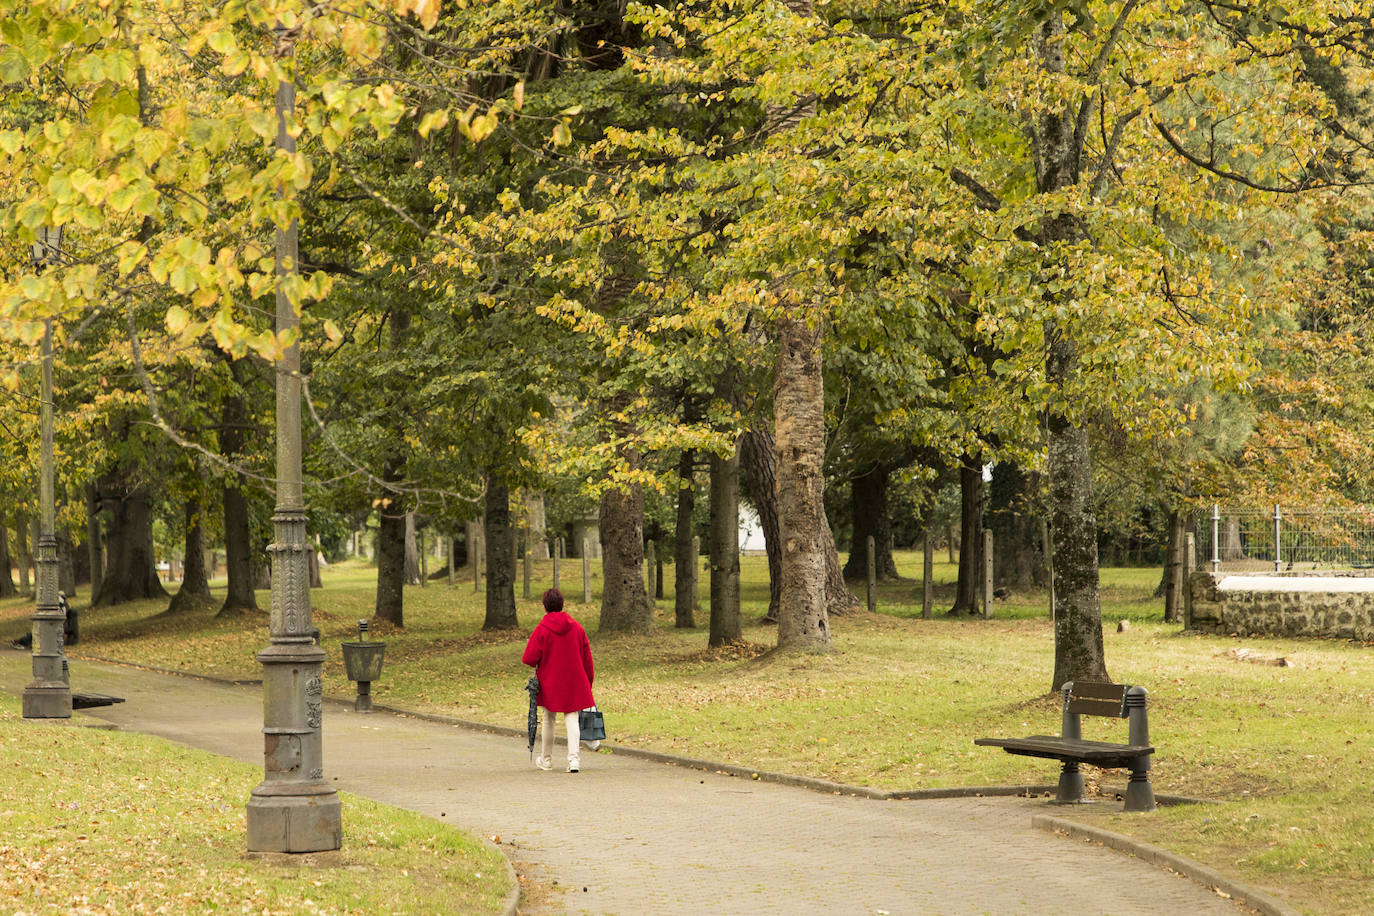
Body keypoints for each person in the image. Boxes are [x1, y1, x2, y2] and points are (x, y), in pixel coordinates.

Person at [522, 587, 595, 773]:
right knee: (572, 718)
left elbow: (529, 658)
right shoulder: (577, 627)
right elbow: (587, 658)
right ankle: (574, 761)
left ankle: (546, 760)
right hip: (575, 680)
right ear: (562, 604)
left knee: (549, 719)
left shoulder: (542, 629)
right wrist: (588, 682)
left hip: (550, 682)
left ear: (545, 606)